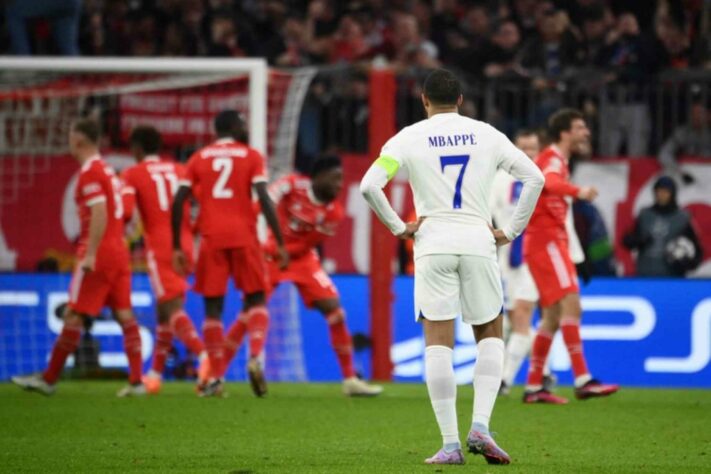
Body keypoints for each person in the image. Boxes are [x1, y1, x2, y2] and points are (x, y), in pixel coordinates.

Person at [361, 69, 544, 465]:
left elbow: (369, 185)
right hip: (478, 241)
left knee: (438, 343)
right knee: (491, 335)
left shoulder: (406, 137)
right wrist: (510, 230)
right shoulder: (487, 133)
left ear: (424, 100)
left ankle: (449, 445)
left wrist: (399, 227)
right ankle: (480, 425)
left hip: (433, 242)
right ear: (460, 100)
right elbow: (535, 177)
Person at [222, 155, 382, 396]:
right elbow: (261, 204)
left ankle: (350, 379)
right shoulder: (291, 185)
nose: (339, 186)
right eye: (336, 179)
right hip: (269, 254)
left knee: (335, 310)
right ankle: (214, 373)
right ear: (317, 177)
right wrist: (258, 242)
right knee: (249, 312)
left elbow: (306, 244)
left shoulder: (334, 212)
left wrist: (282, 251)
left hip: (302, 259)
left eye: (342, 181)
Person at [12, 118, 144, 397]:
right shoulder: (107, 170)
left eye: (70, 136)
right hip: (119, 251)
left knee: (74, 314)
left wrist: (92, 252)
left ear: (78, 140)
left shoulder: (90, 173)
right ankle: (136, 383)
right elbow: (125, 213)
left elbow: (99, 211)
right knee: (124, 315)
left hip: (100, 252)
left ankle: (48, 380)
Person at [171, 110, 288, 397]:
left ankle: (215, 379)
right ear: (235, 128)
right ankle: (256, 356)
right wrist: (281, 241)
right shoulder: (251, 155)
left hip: (211, 239)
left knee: (213, 308)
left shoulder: (199, 157)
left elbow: (178, 201)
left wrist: (176, 244)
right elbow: (263, 195)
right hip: (244, 236)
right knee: (256, 299)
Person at [523, 108, 619, 404]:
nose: (585, 132)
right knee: (572, 306)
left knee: (551, 316)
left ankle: (533, 386)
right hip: (547, 242)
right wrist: (579, 191)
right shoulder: (552, 158)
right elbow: (548, 182)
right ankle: (582, 379)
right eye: (579, 127)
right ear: (565, 133)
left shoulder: (559, 159)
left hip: (545, 243)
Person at [490, 128, 587, 394]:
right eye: (522, 148)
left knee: (524, 314)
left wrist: (576, 257)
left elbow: (563, 221)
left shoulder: (548, 180)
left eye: (533, 148)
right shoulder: (499, 179)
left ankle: (504, 380)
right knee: (514, 319)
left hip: (538, 255)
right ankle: (542, 373)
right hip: (508, 257)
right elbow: (488, 214)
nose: (528, 153)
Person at [121, 125, 208, 394]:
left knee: (170, 308)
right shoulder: (179, 169)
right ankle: (155, 377)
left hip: (160, 245)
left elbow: (124, 212)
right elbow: (203, 200)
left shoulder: (132, 174)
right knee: (164, 313)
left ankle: (206, 358)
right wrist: (191, 231)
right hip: (185, 242)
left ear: (136, 149)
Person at [623, 176, 703, 277]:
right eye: (659, 191)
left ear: (672, 194)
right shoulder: (645, 215)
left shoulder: (682, 219)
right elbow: (627, 240)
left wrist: (687, 263)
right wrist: (637, 241)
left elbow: (697, 251)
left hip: (672, 277)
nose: (661, 195)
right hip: (645, 274)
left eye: (666, 192)